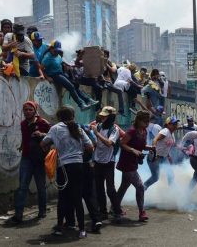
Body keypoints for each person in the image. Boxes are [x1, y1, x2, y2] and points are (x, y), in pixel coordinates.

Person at [41, 106, 94, 239]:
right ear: (72, 116)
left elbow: (43, 144)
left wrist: (54, 148)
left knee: (63, 198)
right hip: (78, 166)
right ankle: (82, 230)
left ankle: (59, 228)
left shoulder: (55, 129)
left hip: (63, 167)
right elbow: (90, 147)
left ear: (59, 116)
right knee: (77, 197)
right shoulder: (78, 128)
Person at [9, 101, 51, 224]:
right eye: (25, 110)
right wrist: (22, 146)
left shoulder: (43, 123)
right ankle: (18, 215)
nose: (27, 112)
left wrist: (42, 134)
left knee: (41, 186)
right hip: (26, 158)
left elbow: (53, 136)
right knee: (22, 187)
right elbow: (25, 137)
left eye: (30, 110)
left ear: (35, 110)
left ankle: (42, 210)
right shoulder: (23, 124)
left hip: (39, 159)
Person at [116, 110, 154, 222]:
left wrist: (150, 147)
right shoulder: (132, 131)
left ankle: (114, 207)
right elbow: (122, 143)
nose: (147, 123)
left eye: (148, 121)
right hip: (127, 162)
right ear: (139, 120)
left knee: (124, 186)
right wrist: (132, 150)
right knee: (140, 186)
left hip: (133, 162)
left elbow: (141, 145)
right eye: (145, 121)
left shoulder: (144, 131)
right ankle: (142, 212)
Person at [40, 40, 92, 111]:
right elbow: (41, 68)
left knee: (74, 85)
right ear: (51, 49)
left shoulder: (58, 56)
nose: (56, 52)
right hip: (55, 75)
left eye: (58, 51)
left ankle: (87, 100)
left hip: (61, 73)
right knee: (70, 87)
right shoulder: (47, 58)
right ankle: (81, 105)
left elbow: (63, 64)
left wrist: (68, 67)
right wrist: (47, 77)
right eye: (55, 51)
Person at [90, 106, 122, 221]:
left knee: (110, 189)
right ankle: (103, 211)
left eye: (105, 116)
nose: (102, 117)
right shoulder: (98, 126)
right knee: (99, 188)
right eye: (102, 115)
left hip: (109, 161)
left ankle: (117, 211)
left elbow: (109, 143)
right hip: (98, 160)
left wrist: (96, 133)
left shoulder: (114, 129)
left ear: (111, 117)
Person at [144, 117, 178, 190]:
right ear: (168, 125)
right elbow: (155, 139)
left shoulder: (172, 134)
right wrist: (154, 150)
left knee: (170, 175)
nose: (175, 125)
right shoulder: (165, 131)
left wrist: (168, 156)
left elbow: (166, 146)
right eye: (173, 124)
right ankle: (142, 187)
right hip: (155, 157)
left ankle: (173, 193)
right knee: (155, 177)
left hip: (163, 157)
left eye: (176, 124)